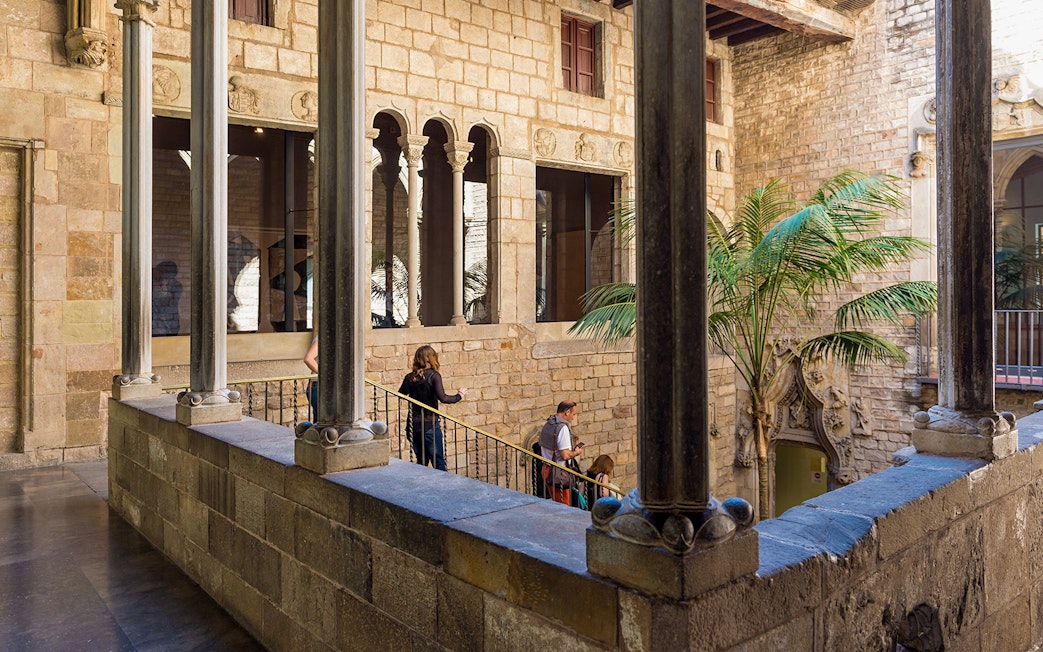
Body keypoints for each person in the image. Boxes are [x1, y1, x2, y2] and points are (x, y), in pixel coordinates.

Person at [397, 345, 467, 471]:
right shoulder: (434, 376)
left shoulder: (409, 377)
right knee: (438, 462)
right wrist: (459, 396)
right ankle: (442, 485)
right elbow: (443, 398)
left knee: (421, 461)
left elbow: (401, 393)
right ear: (431, 358)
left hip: (413, 425)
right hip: (429, 425)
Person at [538, 401, 584, 506]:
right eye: (573, 414)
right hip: (558, 473)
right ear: (567, 412)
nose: (573, 417)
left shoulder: (549, 423)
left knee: (556, 502)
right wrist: (576, 452)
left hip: (546, 468)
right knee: (563, 505)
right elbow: (565, 455)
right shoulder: (562, 428)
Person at [303, 337, 318, 422]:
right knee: (322, 422)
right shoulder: (322, 338)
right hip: (318, 386)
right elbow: (308, 359)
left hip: (327, 386)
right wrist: (326, 375)